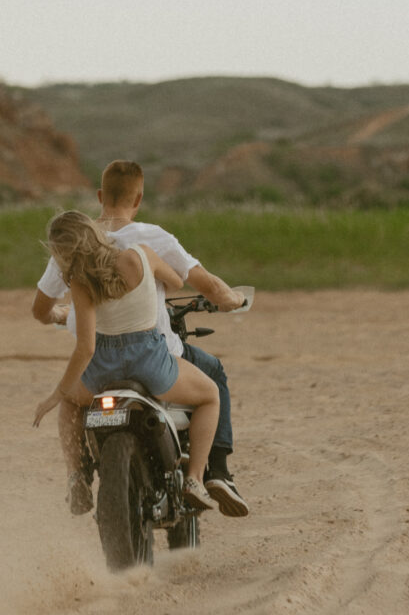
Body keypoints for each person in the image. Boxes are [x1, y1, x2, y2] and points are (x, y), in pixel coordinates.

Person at [32, 160, 250, 518]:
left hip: (100, 368)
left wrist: (58, 393)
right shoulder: (144, 251)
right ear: (140, 199)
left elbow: (82, 343)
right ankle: (200, 477)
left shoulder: (78, 277)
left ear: (99, 198)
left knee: (72, 402)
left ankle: (76, 475)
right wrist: (233, 299)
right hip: (150, 360)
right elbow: (186, 283)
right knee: (211, 390)